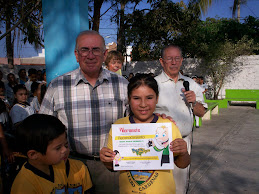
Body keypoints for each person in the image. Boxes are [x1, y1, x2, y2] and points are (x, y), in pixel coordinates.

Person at [40, 30, 129, 193]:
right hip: (69, 166)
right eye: (84, 50)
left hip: (111, 169)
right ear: (76, 54)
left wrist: (159, 122)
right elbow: (42, 129)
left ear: (104, 54)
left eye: (96, 50)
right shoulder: (57, 86)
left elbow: (136, 123)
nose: (90, 55)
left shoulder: (123, 85)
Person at [100, 74, 190, 193]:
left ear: (157, 98)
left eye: (149, 98)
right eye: (136, 98)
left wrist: (183, 152)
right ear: (129, 98)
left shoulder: (168, 126)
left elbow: (182, 164)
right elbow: (113, 166)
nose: (143, 104)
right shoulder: (118, 127)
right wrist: (106, 160)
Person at [155, 45, 207, 194]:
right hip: (158, 143)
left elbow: (201, 112)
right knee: (158, 185)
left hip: (183, 142)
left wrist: (194, 102)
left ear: (182, 60)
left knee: (180, 186)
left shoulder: (190, 83)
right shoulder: (153, 84)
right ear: (161, 61)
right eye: (169, 58)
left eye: (177, 58)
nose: (173, 62)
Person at [11, 114, 69, 193]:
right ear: (33, 154)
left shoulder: (59, 165)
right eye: (58, 148)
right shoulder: (24, 186)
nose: (65, 150)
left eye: (65, 144)